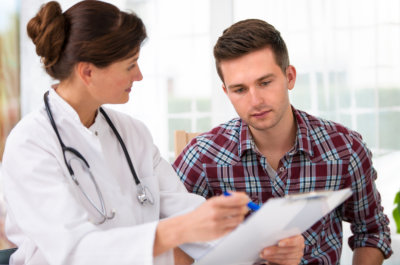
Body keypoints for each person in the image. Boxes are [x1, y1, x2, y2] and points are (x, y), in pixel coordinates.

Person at [0, 2, 303, 265]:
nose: (139, 75)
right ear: (88, 72)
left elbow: (181, 208)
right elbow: (75, 252)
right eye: (130, 65)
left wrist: (263, 242)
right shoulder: (30, 145)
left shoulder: (132, 133)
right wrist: (182, 229)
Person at [173, 19, 392, 265]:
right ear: (226, 92)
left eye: (265, 83)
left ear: (289, 77)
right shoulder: (203, 156)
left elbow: (371, 231)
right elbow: (165, 236)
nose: (255, 100)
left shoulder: (344, 148)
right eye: (240, 90)